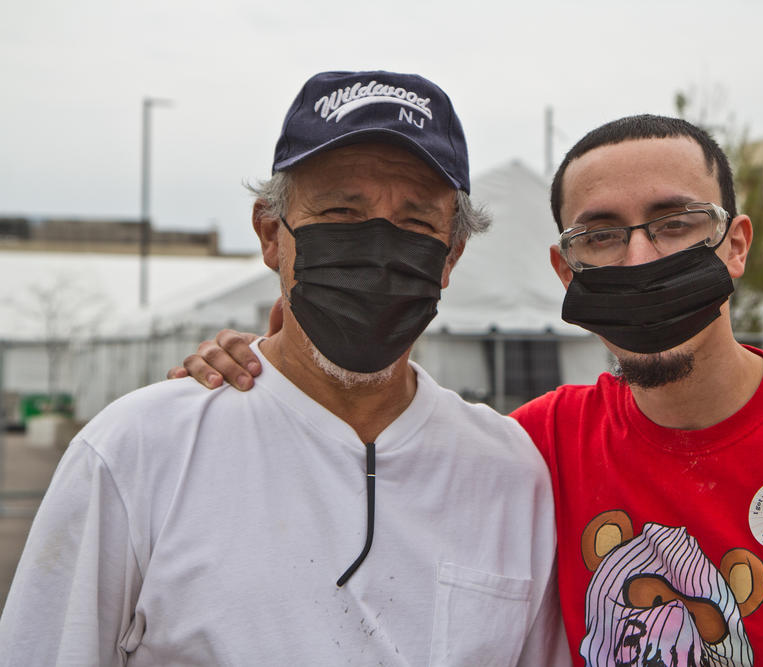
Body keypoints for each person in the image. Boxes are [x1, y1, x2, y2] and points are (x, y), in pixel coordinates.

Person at [171, 115, 763, 666]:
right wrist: (258, 368)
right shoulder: (535, 447)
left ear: (735, 243)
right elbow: (373, 439)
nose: (640, 258)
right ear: (565, 268)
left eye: (675, 222)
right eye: (601, 234)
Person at [0, 70, 568, 666]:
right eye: (342, 211)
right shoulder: (137, 451)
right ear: (271, 234)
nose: (378, 246)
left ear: (450, 256)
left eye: (416, 222)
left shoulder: (508, 473)